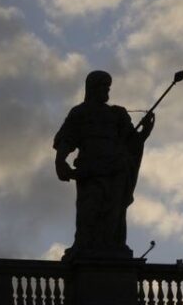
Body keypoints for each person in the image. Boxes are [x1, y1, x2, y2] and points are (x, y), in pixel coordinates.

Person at [53, 71, 153, 258]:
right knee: (89, 208)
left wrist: (145, 132)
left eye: (108, 87)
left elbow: (132, 143)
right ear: (91, 88)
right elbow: (66, 139)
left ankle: (113, 247)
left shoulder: (117, 114)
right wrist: (60, 161)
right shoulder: (80, 113)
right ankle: (84, 245)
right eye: (102, 86)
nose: (106, 90)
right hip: (91, 168)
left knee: (114, 212)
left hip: (116, 169)